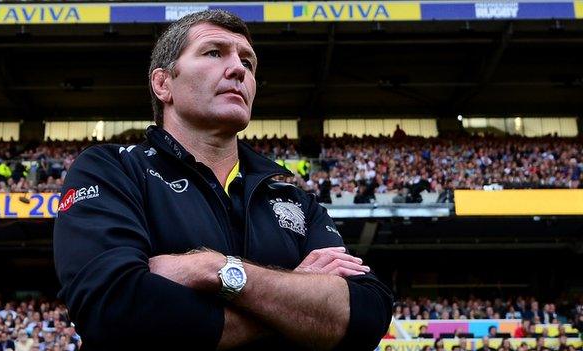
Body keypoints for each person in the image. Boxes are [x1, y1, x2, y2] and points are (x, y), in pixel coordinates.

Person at [53, 9, 393, 351]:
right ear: (163, 83)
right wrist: (298, 302)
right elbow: (114, 310)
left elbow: (367, 315)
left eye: (248, 61)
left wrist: (214, 268)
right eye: (214, 52)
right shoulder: (111, 169)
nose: (237, 69)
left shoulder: (295, 200)